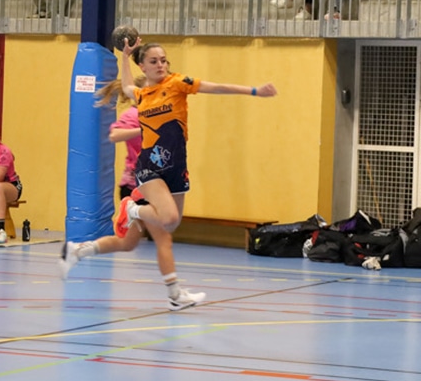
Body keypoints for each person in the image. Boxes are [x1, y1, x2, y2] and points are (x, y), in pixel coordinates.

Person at [65, 38, 277, 311]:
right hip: (150, 166)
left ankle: (90, 251)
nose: (161, 65)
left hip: (177, 166)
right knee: (168, 218)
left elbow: (214, 87)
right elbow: (129, 87)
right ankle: (133, 211)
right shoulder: (143, 96)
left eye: (164, 60)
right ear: (144, 65)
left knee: (168, 227)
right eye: (154, 61)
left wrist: (253, 91)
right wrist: (126, 58)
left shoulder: (177, 83)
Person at [59, 75, 148, 280]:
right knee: (165, 227)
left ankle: (76, 251)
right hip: (135, 185)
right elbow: (115, 135)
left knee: (127, 243)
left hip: (151, 183)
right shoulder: (133, 115)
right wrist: (140, 130)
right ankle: (175, 293)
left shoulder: (156, 115)